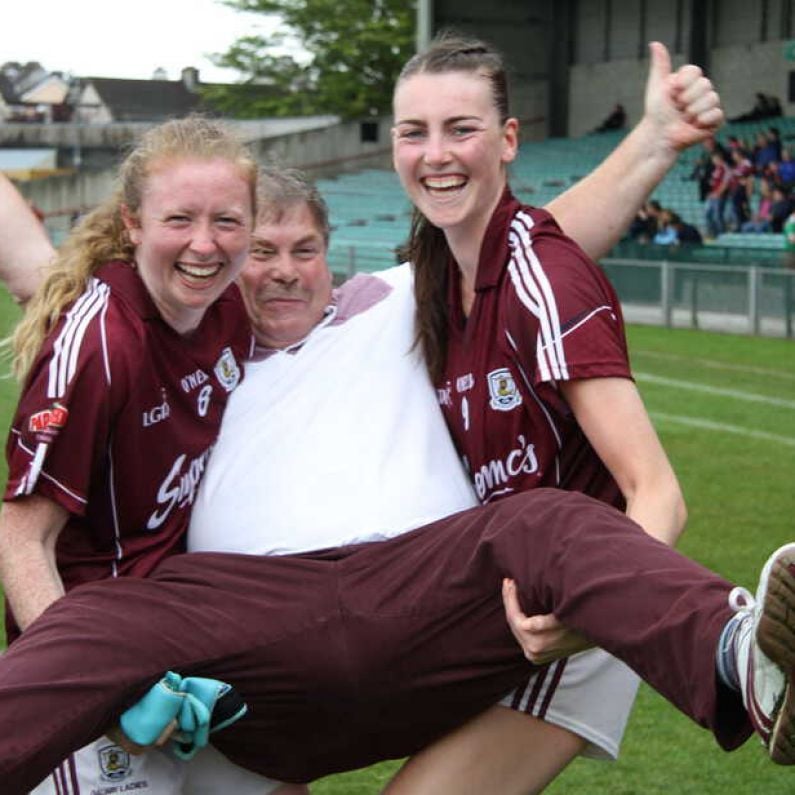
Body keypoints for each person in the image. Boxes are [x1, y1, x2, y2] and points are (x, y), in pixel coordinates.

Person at [0, 37, 735, 795]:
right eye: (260, 250)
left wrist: (652, 142)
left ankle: (733, 652)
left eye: (304, 249)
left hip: (408, 623)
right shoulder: (193, 338)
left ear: (334, 257)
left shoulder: (387, 308)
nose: (282, 269)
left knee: (544, 528)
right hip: (224, 659)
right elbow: (48, 278)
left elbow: (534, 243)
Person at [389, 32, 690, 792]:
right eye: (413, 132)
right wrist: (652, 141)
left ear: (508, 139)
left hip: (568, 619)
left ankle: (737, 650)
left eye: (461, 129)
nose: (435, 154)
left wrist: (587, 616)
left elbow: (657, 494)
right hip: (491, 609)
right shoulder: (438, 270)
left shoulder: (543, 278)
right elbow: (529, 238)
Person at [0, 116, 257, 795]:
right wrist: (103, 682)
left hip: (181, 652)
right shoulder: (101, 342)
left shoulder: (229, 309)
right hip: (99, 671)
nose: (205, 244)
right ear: (133, 223)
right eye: (179, 219)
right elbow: (20, 536)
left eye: (227, 221)